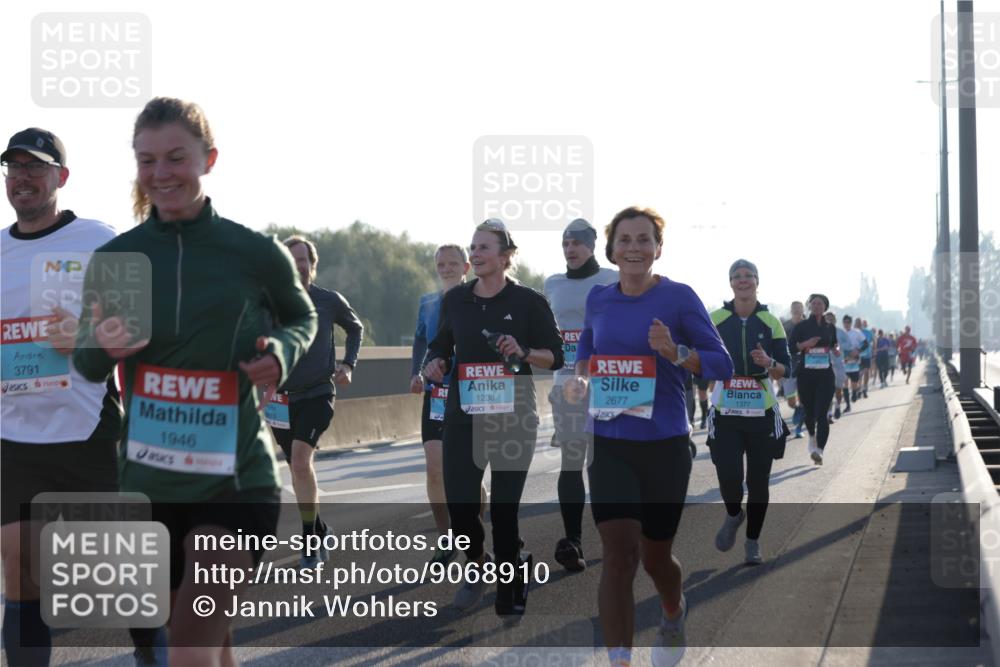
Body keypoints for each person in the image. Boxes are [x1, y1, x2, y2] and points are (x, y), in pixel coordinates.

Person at [73, 97, 317, 667]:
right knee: (207, 641)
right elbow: (85, 364)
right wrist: (100, 346)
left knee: (187, 643)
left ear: (208, 159)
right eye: (147, 161)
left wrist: (280, 353)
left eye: (176, 158)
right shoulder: (117, 258)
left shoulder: (253, 252)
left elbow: (301, 316)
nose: (161, 174)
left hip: (236, 479)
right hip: (150, 483)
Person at [0, 128, 169, 667]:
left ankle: (152, 652)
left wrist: (86, 335)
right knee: (20, 568)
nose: (22, 177)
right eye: (14, 167)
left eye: (36, 167)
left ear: (61, 178)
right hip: (13, 438)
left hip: (89, 430)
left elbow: (142, 328)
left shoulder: (100, 238)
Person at [563, 206, 733, 667]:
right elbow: (586, 350)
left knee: (657, 558)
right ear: (612, 249)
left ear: (659, 249)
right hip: (610, 442)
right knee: (618, 553)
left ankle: (673, 610)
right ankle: (620, 659)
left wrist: (675, 351)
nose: (634, 248)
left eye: (644, 240)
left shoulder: (678, 298)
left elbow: (722, 365)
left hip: (664, 446)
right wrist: (580, 379)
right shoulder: (599, 298)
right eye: (625, 240)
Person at [423, 218, 563, 617]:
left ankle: (509, 583)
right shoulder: (456, 301)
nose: (475, 254)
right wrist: (431, 366)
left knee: (503, 510)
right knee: (463, 505)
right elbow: (440, 348)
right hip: (464, 417)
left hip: (514, 417)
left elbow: (557, 356)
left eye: (484, 248)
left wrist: (523, 352)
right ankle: (478, 562)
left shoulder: (529, 301)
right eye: (473, 247)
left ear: (505, 257)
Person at [266, 235, 363, 568]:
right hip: (279, 400)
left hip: (318, 392)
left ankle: (310, 543)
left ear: (312, 263)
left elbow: (355, 328)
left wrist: (348, 363)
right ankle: (319, 527)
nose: (298, 265)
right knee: (296, 468)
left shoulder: (328, 300)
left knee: (299, 460)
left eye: (303, 259)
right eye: (291, 260)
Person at [542, 219, 617, 572]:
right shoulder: (552, 284)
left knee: (605, 465)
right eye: (565, 243)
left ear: (592, 245)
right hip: (567, 385)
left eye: (577, 243)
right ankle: (573, 541)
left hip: (607, 386)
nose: (570, 249)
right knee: (572, 462)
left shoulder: (612, 280)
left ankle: (617, 536)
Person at [706, 260, 789, 566]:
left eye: (748, 276)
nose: (743, 281)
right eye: (737, 277)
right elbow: (701, 359)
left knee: (758, 482)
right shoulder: (715, 318)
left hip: (762, 413)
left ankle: (752, 542)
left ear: (757, 281)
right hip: (726, 413)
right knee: (728, 475)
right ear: (730, 283)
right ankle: (732, 514)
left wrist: (768, 362)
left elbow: (785, 369)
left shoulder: (771, 321)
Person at [409, 243, 485, 565]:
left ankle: (473, 530)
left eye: (454, 263)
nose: (447, 269)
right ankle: (446, 538)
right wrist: (416, 373)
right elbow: (421, 340)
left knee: (468, 475)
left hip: (470, 393)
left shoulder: (477, 299)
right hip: (437, 393)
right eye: (441, 264)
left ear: (466, 267)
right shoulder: (427, 302)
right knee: (435, 469)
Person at [788, 295, 840, 465]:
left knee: (822, 414)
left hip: (825, 374)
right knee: (809, 413)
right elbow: (790, 347)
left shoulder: (830, 327)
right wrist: (806, 344)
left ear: (825, 307)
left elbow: (834, 344)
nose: (817, 306)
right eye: (814, 303)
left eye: (820, 303)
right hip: (806, 374)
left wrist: (836, 349)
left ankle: (819, 451)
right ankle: (812, 437)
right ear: (809, 306)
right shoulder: (801, 326)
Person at [782, 301, 805, 438]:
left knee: (803, 398)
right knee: (791, 401)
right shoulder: (785, 326)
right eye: (794, 309)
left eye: (799, 308)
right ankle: (797, 409)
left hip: (805, 365)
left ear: (802, 310)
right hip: (789, 365)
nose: (796, 310)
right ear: (791, 310)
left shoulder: (808, 325)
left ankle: (799, 429)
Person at [826, 312, 847, 421]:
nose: (829, 320)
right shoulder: (820, 331)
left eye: (831, 319)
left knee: (838, 390)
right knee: (828, 390)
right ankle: (829, 414)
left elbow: (848, 347)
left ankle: (838, 406)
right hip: (826, 365)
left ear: (835, 320)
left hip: (839, 364)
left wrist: (838, 349)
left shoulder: (841, 333)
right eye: (827, 319)